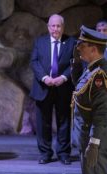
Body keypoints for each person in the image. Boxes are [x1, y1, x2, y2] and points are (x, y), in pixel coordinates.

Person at [71, 25, 107, 174]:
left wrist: (93, 144)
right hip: (88, 141)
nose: (79, 50)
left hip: (95, 143)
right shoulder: (91, 69)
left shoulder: (99, 76)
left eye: (82, 47)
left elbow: (102, 114)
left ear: (93, 49)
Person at [30, 14, 76, 165]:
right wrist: (45, 78)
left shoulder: (71, 42)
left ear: (63, 27)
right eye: (53, 26)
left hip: (63, 87)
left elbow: (75, 64)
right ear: (48, 27)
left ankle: (63, 153)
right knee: (43, 123)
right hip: (43, 87)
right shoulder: (39, 42)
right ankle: (45, 153)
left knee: (64, 122)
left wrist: (63, 77)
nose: (55, 29)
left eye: (58, 26)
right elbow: (34, 62)